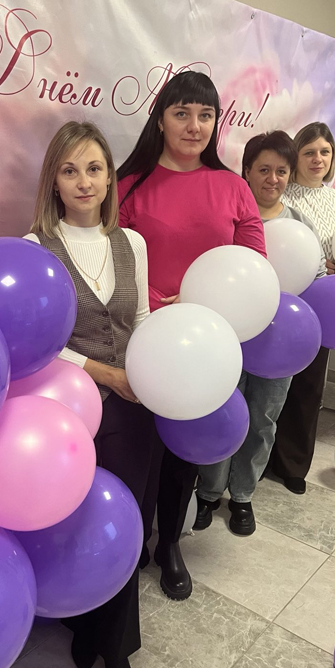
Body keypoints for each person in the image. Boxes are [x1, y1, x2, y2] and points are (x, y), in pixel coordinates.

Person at [117, 71, 265, 600]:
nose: (194, 125)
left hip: (205, 343)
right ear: (161, 119)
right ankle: (133, 539)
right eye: (182, 113)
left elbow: (254, 267)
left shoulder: (233, 187)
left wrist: (202, 304)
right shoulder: (129, 185)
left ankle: (170, 544)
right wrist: (158, 305)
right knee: (139, 449)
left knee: (184, 453)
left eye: (205, 115)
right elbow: (110, 265)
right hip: (140, 339)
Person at [25, 121, 157, 668]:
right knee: (76, 523)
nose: (84, 181)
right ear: (53, 181)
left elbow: (142, 319)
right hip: (67, 411)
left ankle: (116, 645)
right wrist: (106, 374)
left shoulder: (133, 244)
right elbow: (39, 342)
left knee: (124, 522)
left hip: (134, 408)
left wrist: (149, 374)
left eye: (94, 169)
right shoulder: (34, 249)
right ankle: (82, 623)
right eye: (70, 170)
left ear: (109, 179)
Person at [194, 131, 326, 534]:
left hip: (278, 341)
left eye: (281, 171)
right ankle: (208, 492)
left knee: (263, 418)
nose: (273, 179)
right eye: (264, 170)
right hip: (228, 333)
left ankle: (243, 495)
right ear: (247, 171)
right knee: (222, 412)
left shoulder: (299, 225)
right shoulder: (227, 216)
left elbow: (316, 276)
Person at [265, 122, 335, 494]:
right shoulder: (281, 195)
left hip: (323, 305)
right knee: (270, 386)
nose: (318, 159)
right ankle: (261, 459)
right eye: (309, 152)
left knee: (309, 388)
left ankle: (293, 465)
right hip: (281, 302)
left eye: (325, 152)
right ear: (295, 157)